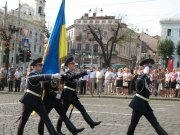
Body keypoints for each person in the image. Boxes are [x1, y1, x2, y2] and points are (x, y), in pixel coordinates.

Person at [17, 58, 63, 135]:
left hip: (38, 100)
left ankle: (54, 133)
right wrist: (52, 76)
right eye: (40, 65)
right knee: (23, 121)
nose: (42, 67)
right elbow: (41, 77)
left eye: (42, 65)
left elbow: (43, 78)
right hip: (29, 100)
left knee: (46, 118)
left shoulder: (38, 74)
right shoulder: (31, 74)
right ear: (35, 66)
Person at [56, 56, 102, 133]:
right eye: (73, 63)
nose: (74, 65)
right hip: (67, 95)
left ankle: (91, 123)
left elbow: (76, 76)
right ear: (69, 65)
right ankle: (58, 130)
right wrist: (85, 72)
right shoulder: (66, 73)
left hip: (73, 95)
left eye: (74, 63)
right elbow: (74, 76)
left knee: (82, 108)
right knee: (63, 113)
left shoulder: (73, 72)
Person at [127, 58, 168, 135]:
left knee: (155, 123)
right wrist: (143, 75)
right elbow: (136, 87)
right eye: (149, 67)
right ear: (145, 67)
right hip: (138, 104)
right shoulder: (140, 77)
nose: (151, 69)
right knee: (133, 125)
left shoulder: (148, 77)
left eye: (150, 67)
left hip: (145, 104)